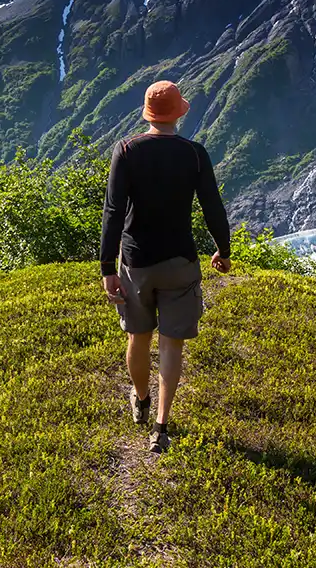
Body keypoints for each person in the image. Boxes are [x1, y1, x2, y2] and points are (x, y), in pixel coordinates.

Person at [100, 80, 232, 454]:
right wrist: (223, 249)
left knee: (137, 337)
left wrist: (107, 266)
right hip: (180, 260)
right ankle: (161, 424)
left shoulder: (126, 149)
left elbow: (112, 211)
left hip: (136, 262)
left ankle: (140, 399)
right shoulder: (194, 154)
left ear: (147, 112)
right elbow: (212, 207)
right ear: (179, 113)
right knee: (171, 343)